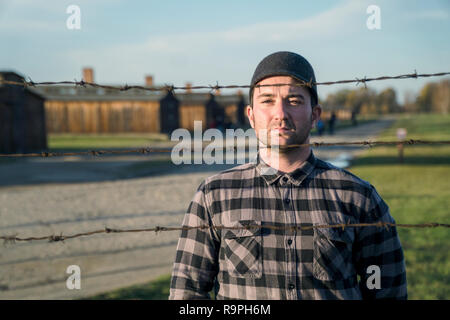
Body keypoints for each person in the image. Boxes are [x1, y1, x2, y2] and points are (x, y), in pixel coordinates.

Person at [169, 51, 407, 300]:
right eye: (267, 100)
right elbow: (188, 294)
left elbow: (388, 292)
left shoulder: (358, 197)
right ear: (250, 115)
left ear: (315, 114)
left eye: (294, 100)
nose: (280, 113)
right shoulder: (214, 195)